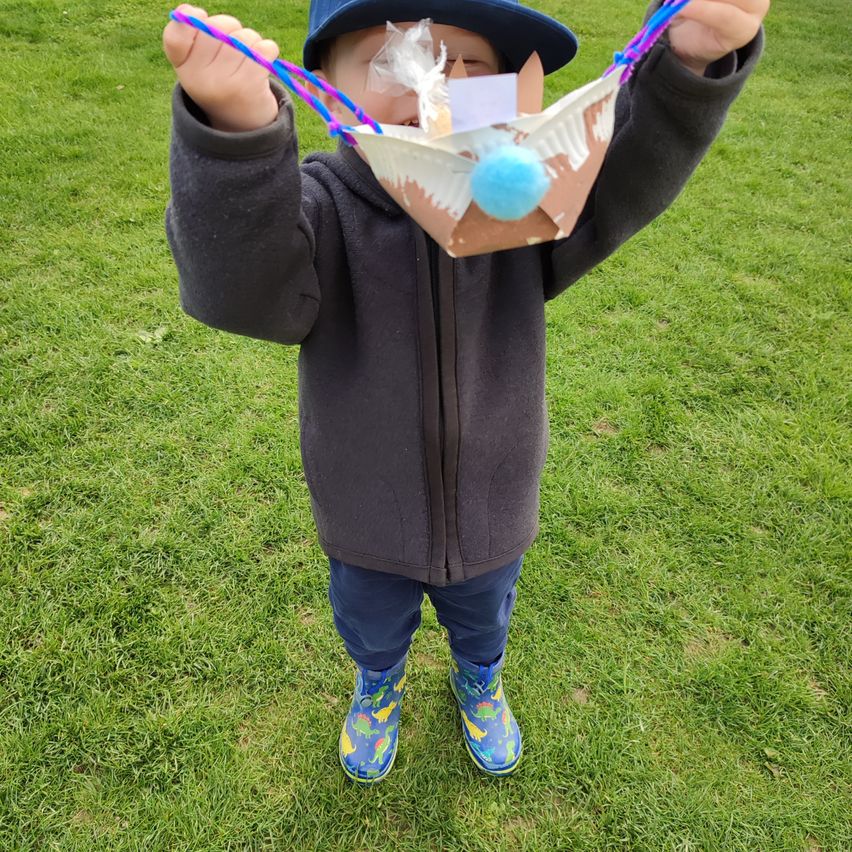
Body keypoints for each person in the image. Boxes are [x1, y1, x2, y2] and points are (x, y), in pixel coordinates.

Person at [162, 0, 768, 784]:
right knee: (371, 623)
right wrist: (237, 129)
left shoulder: (520, 199)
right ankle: (378, 683)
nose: (431, 86)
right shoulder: (319, 208)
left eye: (467, 64)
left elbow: (623, 175)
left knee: (485, 618)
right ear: (323, 80)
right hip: (365, 507)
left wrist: (692, 62)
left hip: (494, 500)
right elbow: (238, 288)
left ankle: (480, 676)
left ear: (511, 89)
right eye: (393, 59)